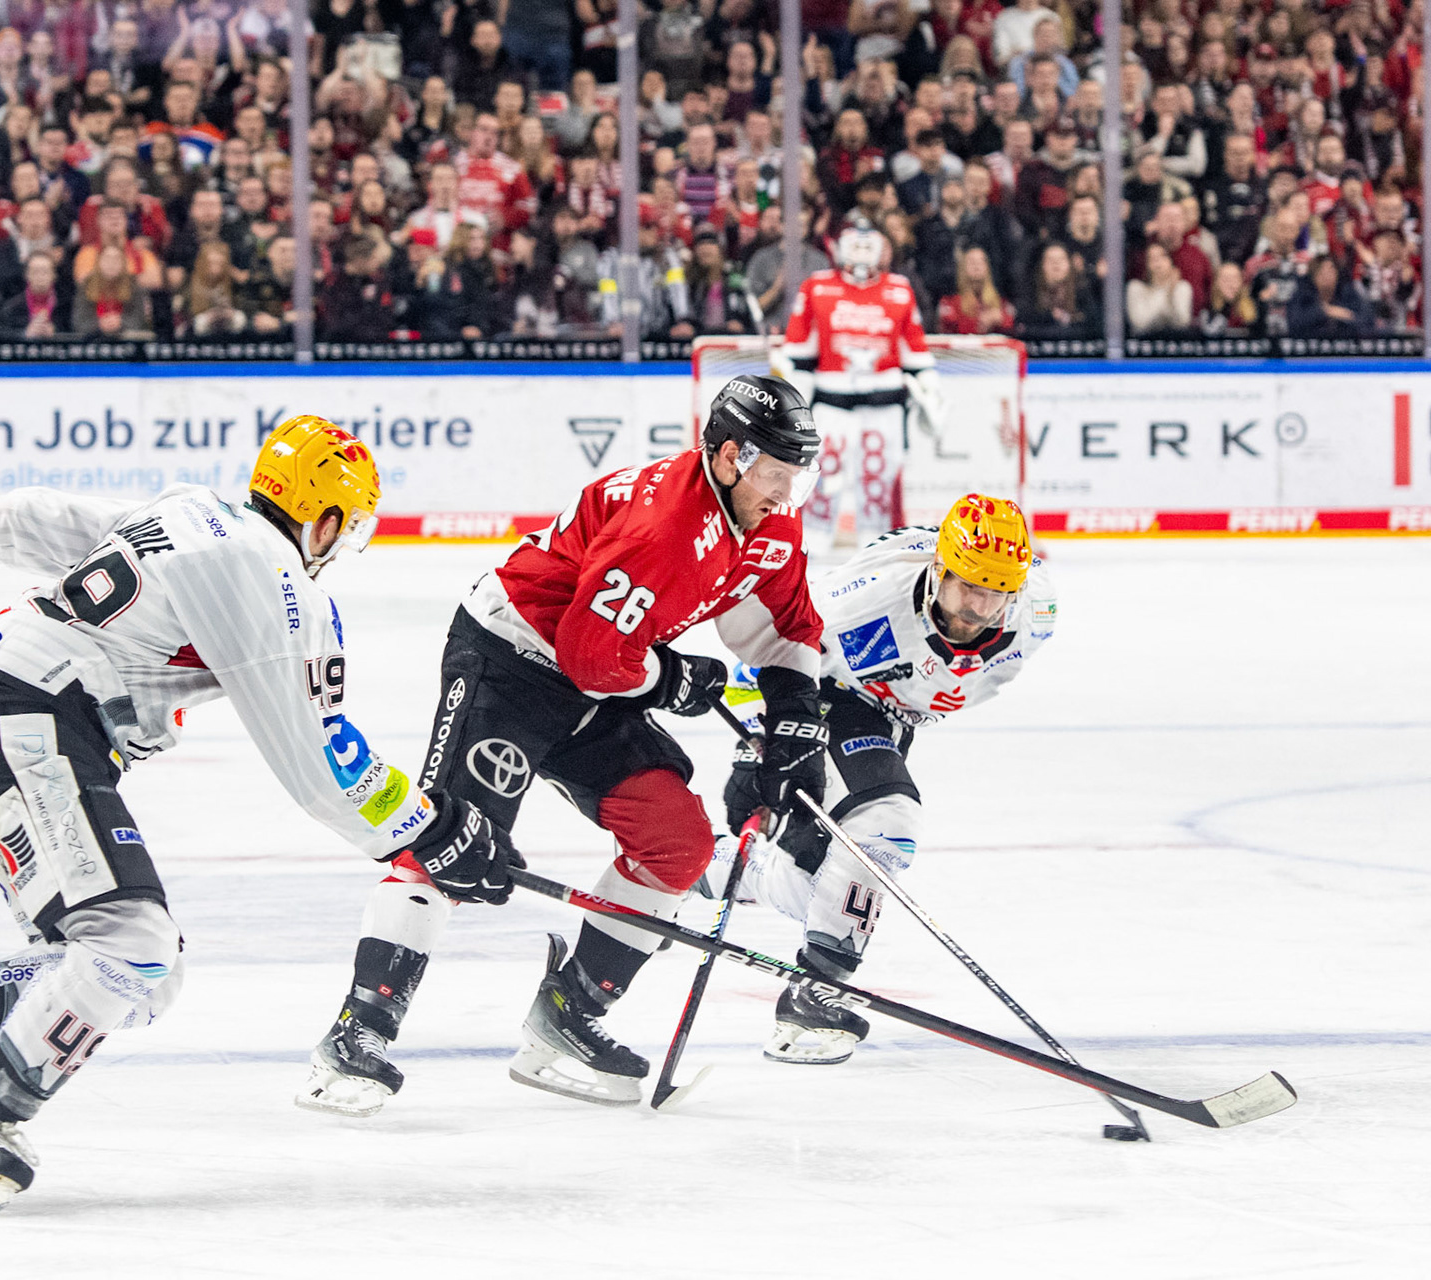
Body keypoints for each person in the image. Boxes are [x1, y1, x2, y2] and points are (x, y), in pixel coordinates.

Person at [0, 417, 516, 1212]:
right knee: (132, 947)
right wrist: (434, 831)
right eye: (348, 528)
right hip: (35, 727)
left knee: (142, 978)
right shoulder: (277, 581)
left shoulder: (189, 511)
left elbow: (34, 517)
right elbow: (320, 762)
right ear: (326, 521)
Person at [297, 374, 829, 1118]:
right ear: (731, 456)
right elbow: (590, 656)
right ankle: (358, 1033)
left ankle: (568, 1014)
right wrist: (671, 677)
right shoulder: (665, 528)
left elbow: (785, 624)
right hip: (512, 659)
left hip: (598, 676)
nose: (787, 490)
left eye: (798, 472)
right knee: (456, 839)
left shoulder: (769, 519)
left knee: (676, 842)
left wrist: (796, 720)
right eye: (776, 470)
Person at [709, 495, 1056, 1063]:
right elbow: (765, 654)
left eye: (996, 593)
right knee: (887, 823)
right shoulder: (864, 603)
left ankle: (702, 864)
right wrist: (756, 747)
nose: (978, 607)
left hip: (893, 720)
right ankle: (815, 991)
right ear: (939, 570)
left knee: (818, 888)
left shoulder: (1037, 612)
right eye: (968, 586)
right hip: (824, 697)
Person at [774, 218, 942, 549]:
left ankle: (878, 544)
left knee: (877, 475)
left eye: (869, 244)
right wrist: (791, 394)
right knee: (822, 471)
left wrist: (930, 389)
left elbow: (915, 351)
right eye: (855, 243)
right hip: (831, 402)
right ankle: (810, 542)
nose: (862, 251)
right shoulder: (817, 286)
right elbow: (798, 353)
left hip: (885, 404)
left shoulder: (899, 289)